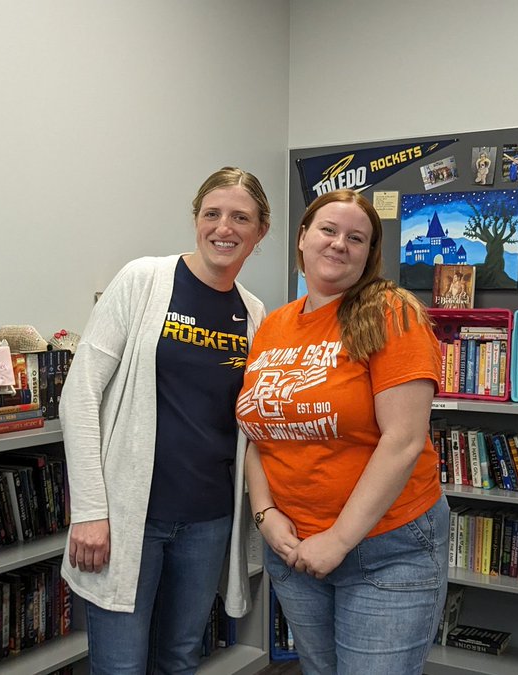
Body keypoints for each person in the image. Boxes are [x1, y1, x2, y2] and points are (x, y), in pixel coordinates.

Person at [60, 167, 271, 675]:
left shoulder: (255, 311)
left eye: (241, 217)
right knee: (120, 666)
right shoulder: (144, 280)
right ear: (196, 219)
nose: (225, 227)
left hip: (208, 519)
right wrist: (89, 510)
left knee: (179, 659)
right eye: (212, 214)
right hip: (131, 516)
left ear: (260, 231)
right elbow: (79, 394)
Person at [236, 189, 449, 675]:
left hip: (386, 548)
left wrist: (338, 541)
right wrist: (265, 515)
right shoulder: (272, 326)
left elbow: (403, 440)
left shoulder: (391, 313)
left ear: (369, 254)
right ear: (303, 238)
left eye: (356, 238)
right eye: (328, 230)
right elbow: (256, 430)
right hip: (294, 549)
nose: (339, 244)